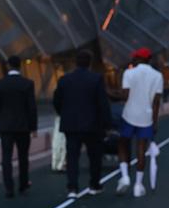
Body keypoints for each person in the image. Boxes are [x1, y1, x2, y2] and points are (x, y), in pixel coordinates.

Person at [53, 49, 111, 197]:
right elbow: (102, 103)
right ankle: (94, 185)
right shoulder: (96, 79)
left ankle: (72, 187)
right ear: (89, 63)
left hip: (71, 124)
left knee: (72, 157)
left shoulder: (64, 79)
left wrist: (64, 114)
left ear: (76, 63)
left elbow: (57, 101)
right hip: (92, 124)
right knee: (94, 156)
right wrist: (107, 124)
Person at [113, 47, 163, 197]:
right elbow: (156, 102)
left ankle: (125, 176)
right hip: (146, 117)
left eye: (135, 58)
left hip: (129, 115)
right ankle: (138, 185)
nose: (133, 60)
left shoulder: (129, 73)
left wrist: (109, 92)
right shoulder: (157, 76)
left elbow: (125, 95)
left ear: (139, 59)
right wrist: (154, 122)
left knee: (122, 143)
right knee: (141, 149)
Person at [0, 55, 37, 197]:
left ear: (8, 66)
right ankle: (23, 184)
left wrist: (4, 117)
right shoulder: (27, 83)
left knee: (6, 158)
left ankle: (9, 188)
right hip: (23, 126)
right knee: (23, 157)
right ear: (20, 66)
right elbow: (32, 107)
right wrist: (33, 127)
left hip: (5, 126)